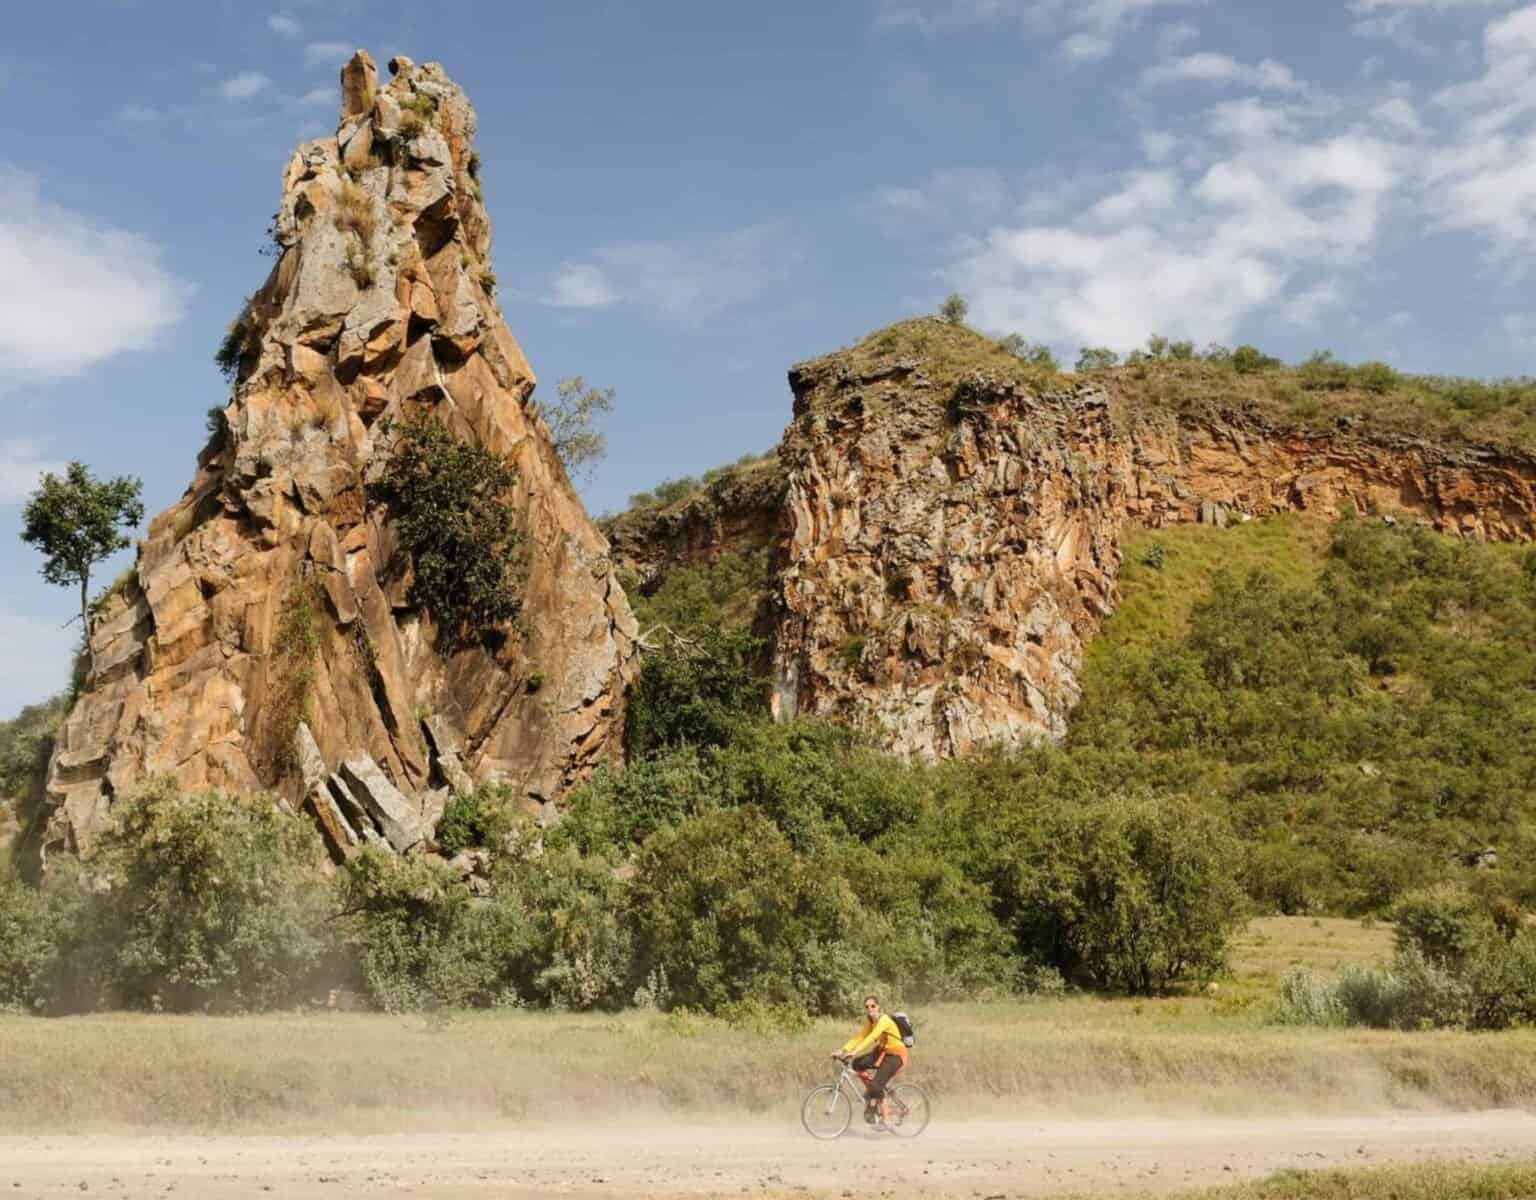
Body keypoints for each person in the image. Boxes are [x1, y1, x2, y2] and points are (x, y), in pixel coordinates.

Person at [832, 994, 907, 1130]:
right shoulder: (871, 1021)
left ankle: (886, 1119)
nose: (870, 1009)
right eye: (867, 1007)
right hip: (881, 1052)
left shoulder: (884, 1020)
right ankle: (872, 1092)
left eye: (872, 1006)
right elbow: (860, 1037)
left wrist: (855, 1052)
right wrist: (843, 1050)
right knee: (857, 1064)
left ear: (878, 1007)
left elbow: (872, 1037)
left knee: (876, 1085)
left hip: (895, 1056)